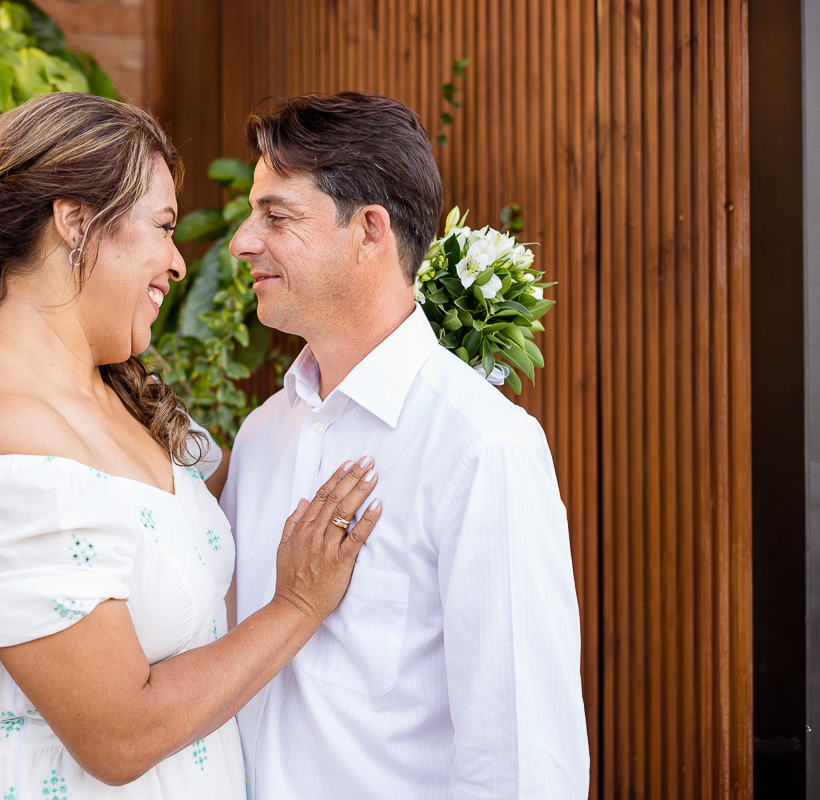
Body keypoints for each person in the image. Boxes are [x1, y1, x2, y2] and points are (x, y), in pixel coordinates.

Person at [0, 92, 383, 800]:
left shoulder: (110, 391)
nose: (178, 265)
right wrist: (297, 606)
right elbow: (119, 736)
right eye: (163, 226)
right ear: (76, 222)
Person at [221, 92, 591, 798]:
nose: (242, 240)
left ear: (368, 231)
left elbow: (523, 758)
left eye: (276, 216)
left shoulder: (482, 446)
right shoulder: (262, 434)